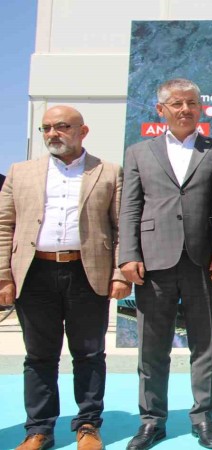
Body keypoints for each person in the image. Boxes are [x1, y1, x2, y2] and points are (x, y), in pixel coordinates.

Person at [0, 105, 130, 450]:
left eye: (61, 126)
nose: (52, 134)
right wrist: (3, 277)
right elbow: (4, 225)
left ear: (82, 131)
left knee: (89, 354)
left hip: (87, 273)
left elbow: (121, 227)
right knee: (39, 356)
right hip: (34, 274)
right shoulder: (20, 172)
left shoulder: (108, 171)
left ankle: (88, 425)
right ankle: (39, 430)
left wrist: (120, 273)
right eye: (46, 128)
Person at [119, 78, 212, 450]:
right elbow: (130, 207)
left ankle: (204, 418)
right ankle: (152, 420)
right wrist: (128, 254)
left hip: (204, 262)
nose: (185, 110)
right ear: (161, 110)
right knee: (152, 347)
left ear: (200, 108)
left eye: (192, 103)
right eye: (177, 104)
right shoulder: (139, 152)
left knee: (206, 345)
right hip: (153, 262)